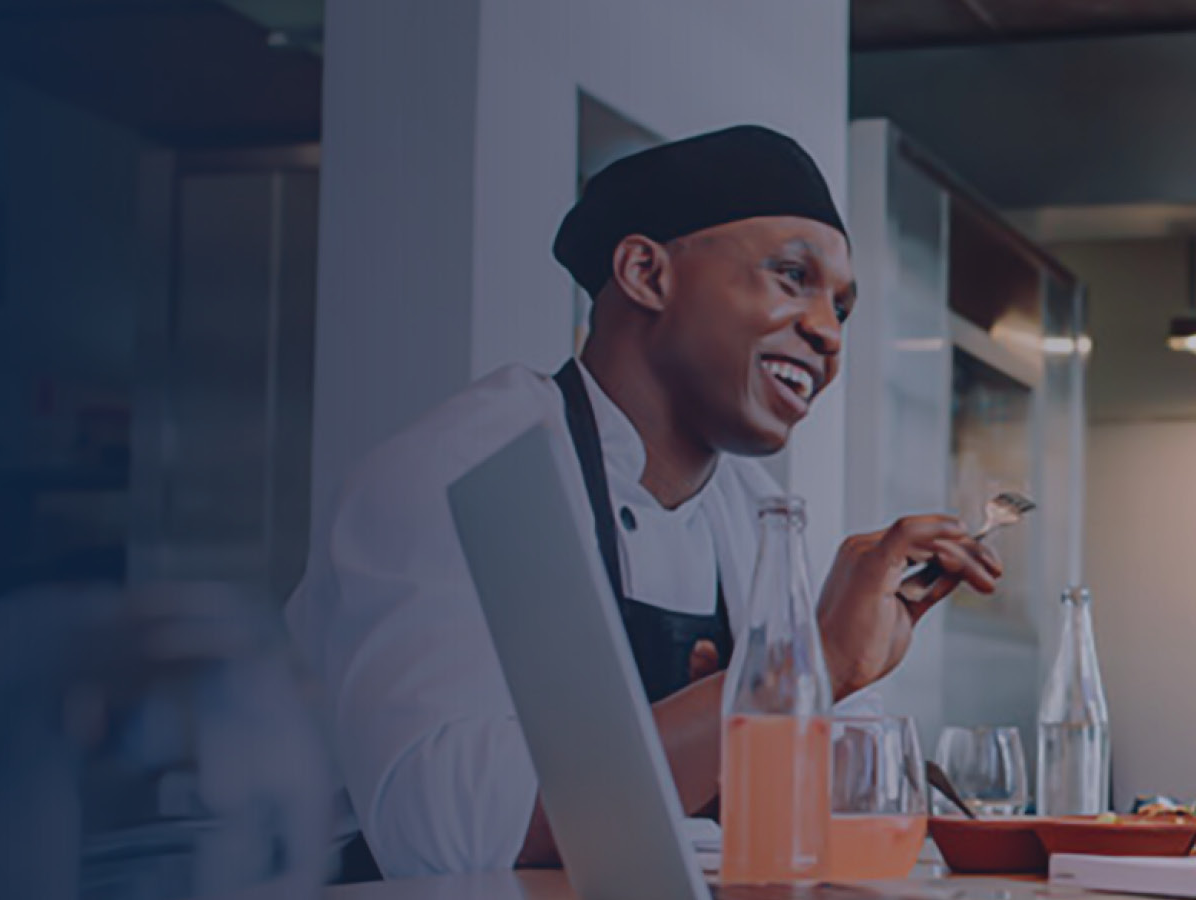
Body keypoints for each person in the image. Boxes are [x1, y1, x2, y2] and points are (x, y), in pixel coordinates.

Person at [283, 125, 1006, 880]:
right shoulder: (467, 473)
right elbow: (445, 831)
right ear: (644, 272)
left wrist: (844, 672)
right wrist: (805, 664)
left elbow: (842, 817)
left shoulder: (758, 516)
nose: (827, 333)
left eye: (842, 310)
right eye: (792, 275)